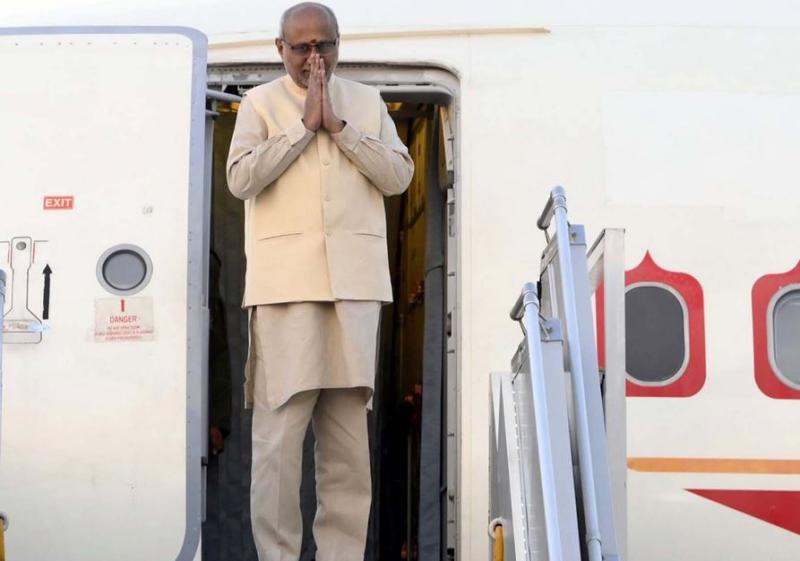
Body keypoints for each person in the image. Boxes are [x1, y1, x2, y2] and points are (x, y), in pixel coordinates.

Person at [225, 3, 414, 560]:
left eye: (324, 45)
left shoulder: (367, 102)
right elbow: (240, 179)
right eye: (302, 47)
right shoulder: (259, 103)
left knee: (348, 447)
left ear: (338, 44)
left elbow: (399, 176)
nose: (315, 58)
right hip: (285, 292)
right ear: (279, 48)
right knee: (278, 443)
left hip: (354, 291)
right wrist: (303, 128)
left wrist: (339, 128)